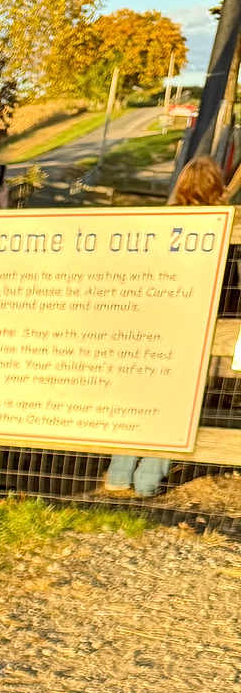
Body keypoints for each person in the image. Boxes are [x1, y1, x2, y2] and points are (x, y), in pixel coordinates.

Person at [106, 153, 228, 499]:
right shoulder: (223, 227)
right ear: (216, 189)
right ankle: (147, 481)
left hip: (150, 320)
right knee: (176, 405)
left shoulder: (160, 223)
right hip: (191, 326)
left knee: (137, 399)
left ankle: (118, 474)